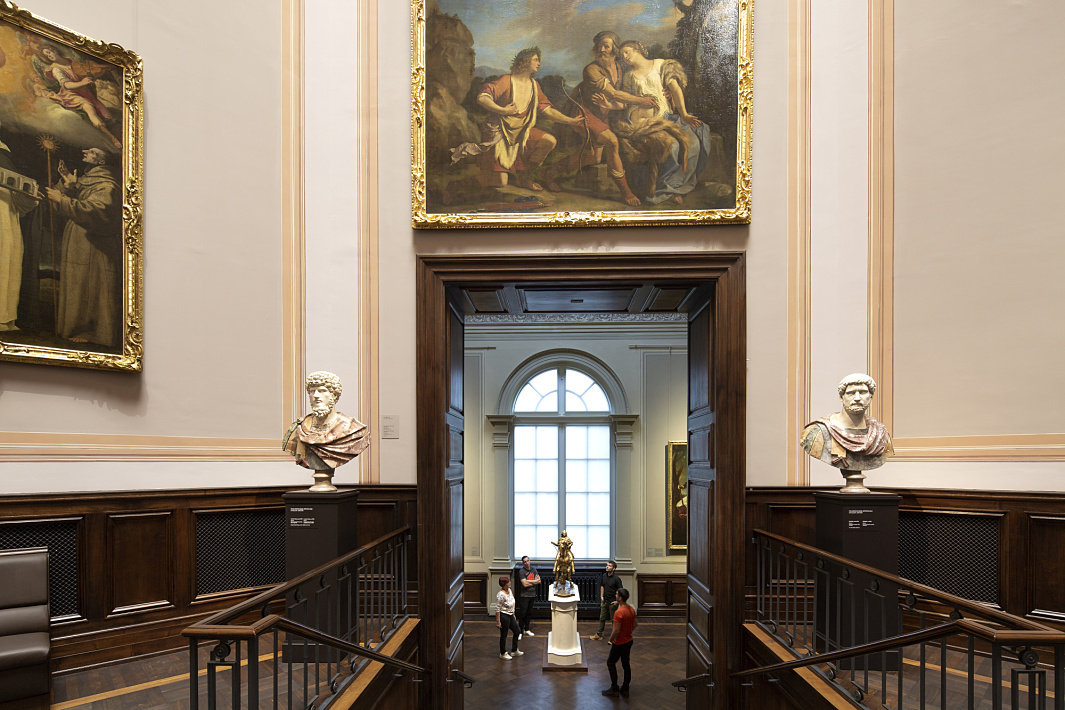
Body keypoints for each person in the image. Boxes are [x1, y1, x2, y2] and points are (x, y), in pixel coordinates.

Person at [443, 47, 585, 205]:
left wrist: (570, 121)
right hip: (499, 132)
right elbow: (482, 98)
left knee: (549, 141)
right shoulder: (506, 80)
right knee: (499, 181)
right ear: (524, 62)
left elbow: (547, 110)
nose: (539, 63)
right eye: (535, 59)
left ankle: (524, 179)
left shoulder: (534, 85)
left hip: (521, 131)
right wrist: (503, 110)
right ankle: (456, 185)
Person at [540, 31, 657, 206]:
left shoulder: (620, 67)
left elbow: (625, 95)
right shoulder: (592, 70)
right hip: (583, 113)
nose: (601, 49)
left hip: (603, 114)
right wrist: (641, 100)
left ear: (614, 49)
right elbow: (615, 94)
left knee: (593, 157)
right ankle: (625, 192)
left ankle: (548, 172)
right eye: (599, 46)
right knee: (612, 141)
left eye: (606, 46)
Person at [611, 40, 715, 205]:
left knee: (694, 142)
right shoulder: (629, 75)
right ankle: (668, 190)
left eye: (627, 52)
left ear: (637, 50)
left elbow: (675, 89)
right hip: (643, 122)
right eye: (622, 54)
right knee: (672, 146)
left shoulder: (661, 65)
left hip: (666, 117)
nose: (624, 57)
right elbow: (626, 100)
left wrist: (684, 114)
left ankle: (675, 187)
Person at [45, 147, 121, 347]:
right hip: (79, 242)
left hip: (95, 245)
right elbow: (68, 203)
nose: (86, 151)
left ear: (102, 162)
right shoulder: (88, 181)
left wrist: (62, 198)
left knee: (93, 286)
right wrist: (69, 186)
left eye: (93, 152)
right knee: (79, 284)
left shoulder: (108, 185)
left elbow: (98, 211)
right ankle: (76, 327)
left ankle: (93, 332)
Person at [800, 373, 894, 492]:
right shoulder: (818, 432)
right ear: (841, 397)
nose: (857, 398)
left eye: (863, 392)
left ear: (871, 396)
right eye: (851, 393)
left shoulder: (881, 435)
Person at [283, 371, 370, 490]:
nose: (316, 395)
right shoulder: (299, 428)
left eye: (322, 390)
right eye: (312, 391)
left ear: (334, 395)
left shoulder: (353, 429)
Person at [0, 122, 39, 333]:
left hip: (6, 222)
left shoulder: (4, 154)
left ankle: (4, 320)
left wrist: (31, 198)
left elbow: (22, 202)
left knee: (7, 265)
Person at [602, 587, 637, 698]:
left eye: (617, 594)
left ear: (620, 598)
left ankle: (614, 688)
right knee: (626, 664)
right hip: (629, 641)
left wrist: (610, 640)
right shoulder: (631, 609)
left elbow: (616, 630)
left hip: (619, 642)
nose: (615, 595)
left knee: (610, 663)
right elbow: (636, 624)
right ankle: (625, 688)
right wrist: (628, 631)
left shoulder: (619, 612)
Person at [589, 560, 623, 641]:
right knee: (602, 618)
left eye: (609, 566)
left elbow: (621, 591)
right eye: (607, 565)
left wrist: (617, 602)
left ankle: (616, 636)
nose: (607, 567)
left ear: (614, 569)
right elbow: (602, 586)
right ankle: (599, 634)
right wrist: (601, 596)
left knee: (614, 620)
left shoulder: (616, 579)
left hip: (612, 602)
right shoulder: (604, 576)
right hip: (605, 601)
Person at [494, 576, 524, 660]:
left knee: (517, 631)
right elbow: (497, 609)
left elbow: (512, 602)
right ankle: (503, 653)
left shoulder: (509, 590)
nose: (510, 583)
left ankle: (514, 650)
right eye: (508, 582)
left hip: (510, 615)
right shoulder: (501, 595)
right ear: (504, 585)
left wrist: (513, 613)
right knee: (504, 634)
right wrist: (498, 621)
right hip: (504, 616)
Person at [513, 555, 541, 637]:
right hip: (524, 595)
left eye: (528, 561)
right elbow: (524, 584)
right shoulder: (521, 571)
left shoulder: (534, 570)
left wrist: (528, 581)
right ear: (523, 563)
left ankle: (527, 629)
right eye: (525, 562)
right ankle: (520, 631)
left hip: (532, 594)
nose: (527, 563)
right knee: (523, 613)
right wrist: (533, 581)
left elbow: (539, 581)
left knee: (529, 613)